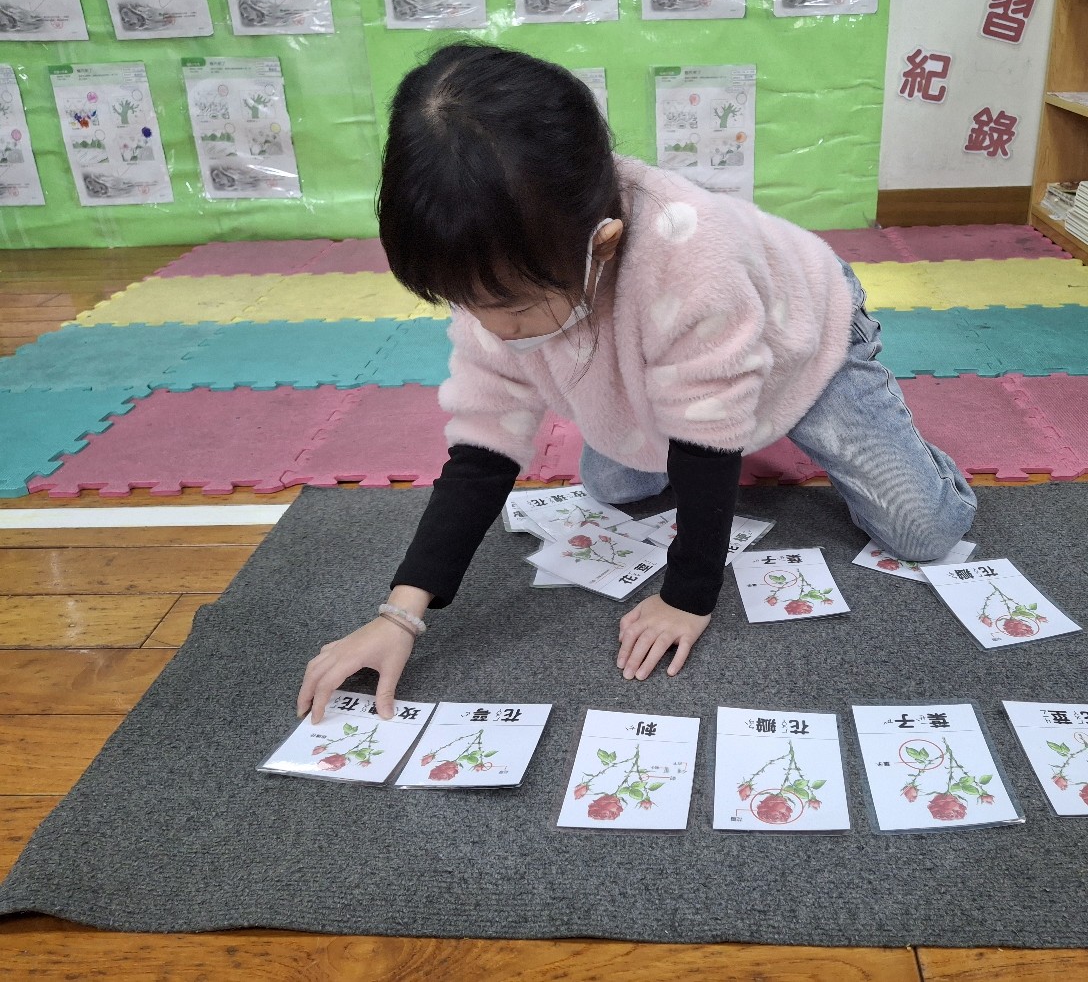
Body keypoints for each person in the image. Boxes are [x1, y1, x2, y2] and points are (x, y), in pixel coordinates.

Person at [295, 42, 976, 723]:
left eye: (512, 309)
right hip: (667, 361)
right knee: (615, 489)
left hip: (801, 335)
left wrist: (688, 596)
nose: (490, 328)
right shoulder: (500, 270)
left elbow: (706, 447)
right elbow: (482, 448)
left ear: (604, 243)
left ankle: (871, 434)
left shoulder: (691, 256)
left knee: (922, 531)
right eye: (465, 303)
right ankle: (715, 403)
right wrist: (400, 614)